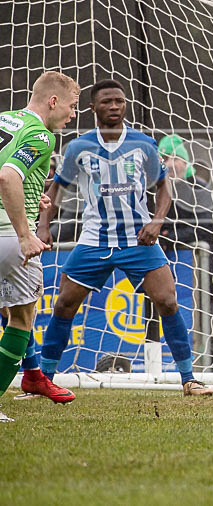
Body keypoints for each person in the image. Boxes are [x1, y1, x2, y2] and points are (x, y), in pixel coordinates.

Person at [35, 79, 213, 397]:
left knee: (168, 301)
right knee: (63, 305)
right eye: (107, 102)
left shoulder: (143, 144)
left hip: (138, 241)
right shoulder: (78, 147)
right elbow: (57, 189)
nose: (114, 106)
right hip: (94, 241)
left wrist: (157, 221)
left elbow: (164, 187)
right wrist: (44, 226)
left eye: (119, 101)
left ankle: (189, 379)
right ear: (93, 108)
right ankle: (43, 379)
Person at [0, 71, 79, 422]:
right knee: (22, 318)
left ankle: (33, 378)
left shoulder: (5, 120)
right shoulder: (40, 134)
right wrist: (23, 233)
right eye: (73, 106)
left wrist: (33, 197)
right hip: (7, 236)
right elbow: (7, 177)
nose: (73, 115)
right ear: (53, 101)